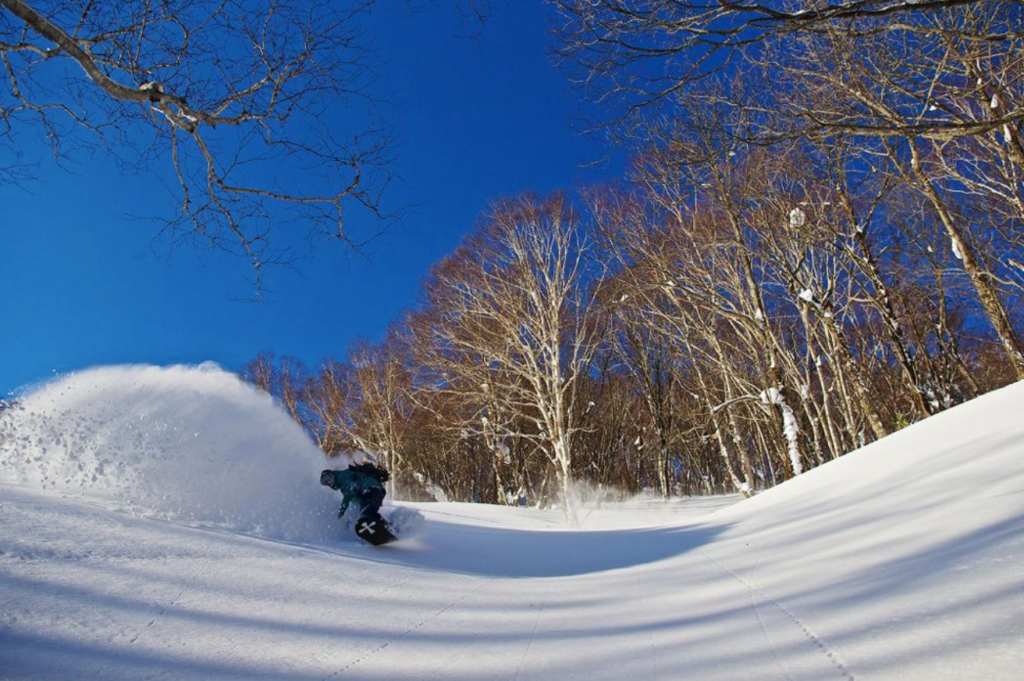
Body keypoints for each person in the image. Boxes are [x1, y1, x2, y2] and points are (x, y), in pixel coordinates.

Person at [320, 461, 390, 522]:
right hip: (373, 491)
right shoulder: (342, 487)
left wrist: (341, 511)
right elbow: (354, 498)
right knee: (366, 514)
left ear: (332, 474)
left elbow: (349, 492)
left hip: (370, 488)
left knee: (366, 513)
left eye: (328, 478)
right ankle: (386, 527)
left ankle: (378, 525)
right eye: (325, 482)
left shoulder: (342, 476)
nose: (328, 482)